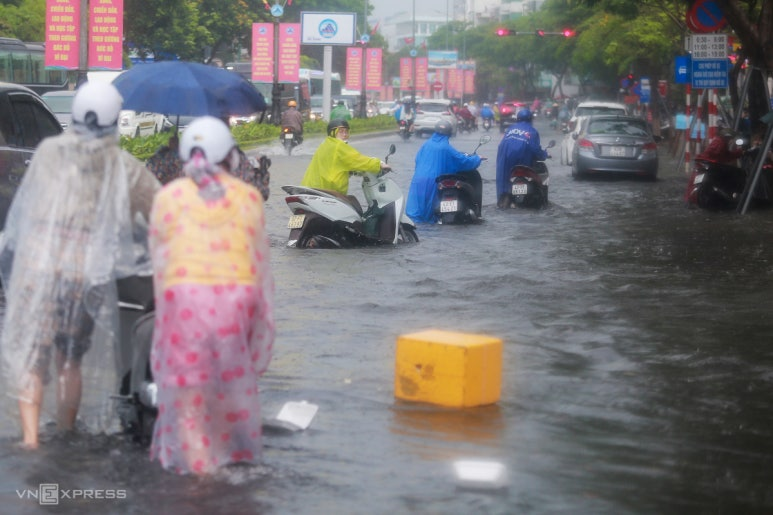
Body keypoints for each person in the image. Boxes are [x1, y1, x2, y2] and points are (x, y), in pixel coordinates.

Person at [0, 81, 160, 449]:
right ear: (114, 120)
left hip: (36, 270)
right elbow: (160, 210)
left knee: (33, 360)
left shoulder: (48, 152)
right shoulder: (123, 166)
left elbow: (27, 206)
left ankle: (29, 440)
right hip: (80, 275)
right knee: (68, 361)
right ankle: (66, 433)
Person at [148, 116, 274, 475]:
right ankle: (224, 460)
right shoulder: (248, 197)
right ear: (229, 156)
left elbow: (159, 257)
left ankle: (200, 473)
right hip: (238, 301)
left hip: (184, 300)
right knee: (227, 385)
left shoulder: (168, 195)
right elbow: (261, 266)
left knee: (189, 393)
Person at [406, 120, 485, 223]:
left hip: (418, 180)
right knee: (430, 211)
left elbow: (417, 160)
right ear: (449, 133)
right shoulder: (446, 147)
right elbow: (462, 161)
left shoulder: (426, 144)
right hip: (433, 181)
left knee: (416, 211)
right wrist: (477, 158)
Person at [300, 119, 390, 195]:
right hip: (327, 190)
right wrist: (379, 164)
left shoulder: (326, 144)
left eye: (346, 131)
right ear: (332, 132)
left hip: (311, 188)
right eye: (341, 131)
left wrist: (353, 171)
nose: (345, 134)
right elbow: (357, 159)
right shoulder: (338, 146)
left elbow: (338, 163)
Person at [496, 107, 547, 206]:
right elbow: (536, 150)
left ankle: (502, 199)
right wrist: (544, 154)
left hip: (505, 159)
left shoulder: (510, 129)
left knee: (504, 182)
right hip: (523, 161)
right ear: (530, 119)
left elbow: (501, 145)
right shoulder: (532, 131)